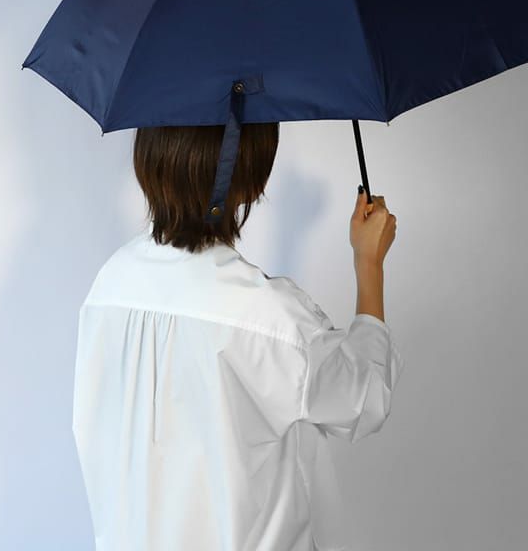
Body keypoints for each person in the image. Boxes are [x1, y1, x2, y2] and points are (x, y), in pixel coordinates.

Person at [71, 122, 405, 550]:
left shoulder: (109, 287)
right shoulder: (271, 318)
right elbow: (364, 399)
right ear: (252, 178)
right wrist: (369, 263)